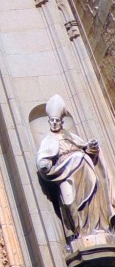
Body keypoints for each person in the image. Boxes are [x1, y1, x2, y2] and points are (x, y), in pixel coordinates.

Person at [36, 94, 115, 241]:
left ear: (62, 122)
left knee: (92, 197)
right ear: (49, 122)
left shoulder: (71, 137)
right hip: (65, 173)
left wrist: (92, 148)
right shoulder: (48, 141)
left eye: (57, 120)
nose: (54, 123)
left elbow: (87, 151)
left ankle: (96, 228)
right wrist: (44, 164)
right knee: (69, 202)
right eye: (52, 120)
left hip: (84, 170)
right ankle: (80, 232)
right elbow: (43, 158)